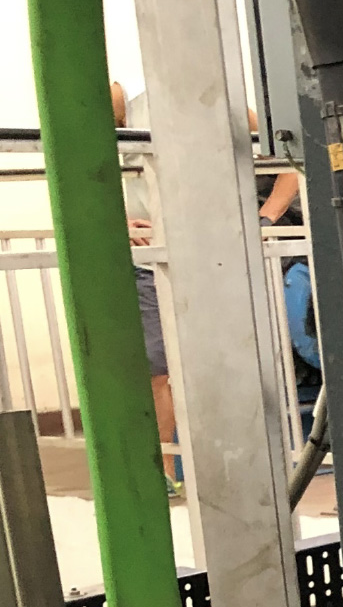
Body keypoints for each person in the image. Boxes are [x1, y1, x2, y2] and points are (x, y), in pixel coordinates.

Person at [108, 82, 302, 492]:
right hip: (148, 261)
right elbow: (83, 189)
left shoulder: (188, 97)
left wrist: (264, 219)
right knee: (156, 371)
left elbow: (290, 155)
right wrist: (117, 224)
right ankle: (163, 473)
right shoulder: (94, 129)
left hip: (216, 260)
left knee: (233, 360)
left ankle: (249, 468)